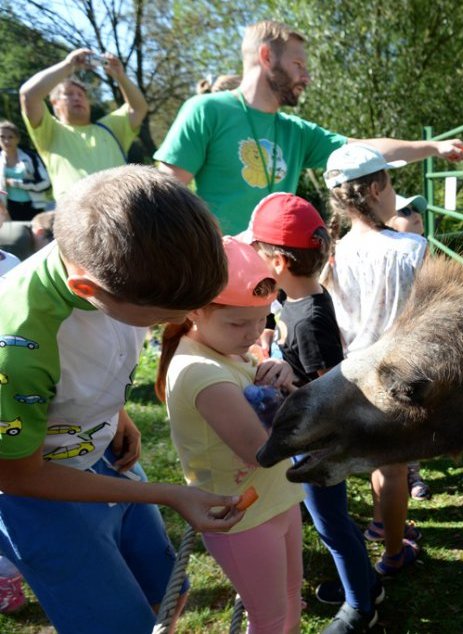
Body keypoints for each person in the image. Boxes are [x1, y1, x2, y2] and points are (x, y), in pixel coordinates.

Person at [0, 165, 245, 634]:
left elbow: (82, 365)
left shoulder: (114, 259)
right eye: (160, 319)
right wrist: (168, 494)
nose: (183, 321)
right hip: (42, 499)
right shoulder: (17, 350)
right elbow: (18, 475)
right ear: (88, 290)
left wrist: (115, 410)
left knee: (166, 591)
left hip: (105, 455)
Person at [155, 19, 463, 235]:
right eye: (298, 65)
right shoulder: (206, 111)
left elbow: (363, 152)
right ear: (266, 57)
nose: (306, 77)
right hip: (217, 278)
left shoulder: (296, 131)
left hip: (277, 277)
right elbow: (165, 194)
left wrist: (433, 147)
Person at [240, 192, 384, 633]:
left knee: (332, 526)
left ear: (279, 262)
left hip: (318, 445)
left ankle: (361, 607)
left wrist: (290, 378)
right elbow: (281, 327)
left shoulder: (310, 320)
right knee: (334, 522)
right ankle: (365, 583)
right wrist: (269, 344)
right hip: (306, 439)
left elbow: (334, 392)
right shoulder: (294, 302)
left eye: (258, 252)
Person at [157, 236, 303, 634]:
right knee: (270, 619)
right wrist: (285, 395)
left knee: (292, 599)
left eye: (262, 319)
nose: (253, 332)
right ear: (196, 311)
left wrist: (279, 372)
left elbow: (254, 382)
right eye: (239, 322)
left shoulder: (225, 347)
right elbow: (261, 450)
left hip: (275, 499)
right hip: (243, 520)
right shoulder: (202, 373)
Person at [323, 144, 427, 577]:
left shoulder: (332, 253)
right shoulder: (411, 247)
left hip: (349, 372)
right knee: (395, 465)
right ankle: (392, 551)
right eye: (391, 182)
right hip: (397, 372)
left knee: (377, 460)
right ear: (378, 187)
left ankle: (382, 522)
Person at [19, 49, 148, 202]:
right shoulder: (49, 130)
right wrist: (68, 65)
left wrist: (120, 76)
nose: (77, 98)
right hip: (74, 216)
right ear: (54, 103)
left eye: (81, 95)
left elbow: (139, 108)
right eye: (69, 94)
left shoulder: (111, 128)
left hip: (120, 210)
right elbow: (28, 94)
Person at [385, 194, 432, 502]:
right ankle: (405, 472)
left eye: (417, 210)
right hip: (387, 345)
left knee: (413, 408)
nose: (415, 215)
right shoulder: (383, 254)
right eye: (404, 211)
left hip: (415, 343)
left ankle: (410, 469)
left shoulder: (423, 252)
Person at [0, 121, 51, 220]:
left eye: (10, 137)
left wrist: (16, 183)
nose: (6, 141)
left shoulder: (31, 157)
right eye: (2, 137)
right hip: (9, 208)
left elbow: (45, 183)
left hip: (34, 207)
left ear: (17, 139)